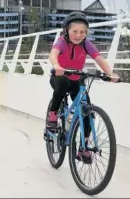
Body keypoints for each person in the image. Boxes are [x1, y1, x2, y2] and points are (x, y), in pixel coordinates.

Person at [47, 11, 119, 163]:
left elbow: (99, 59)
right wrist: (57, 65)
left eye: (82, 32)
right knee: (63, 83)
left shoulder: (86, 44)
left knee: (87, 111)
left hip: (77, 80)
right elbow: (53, 54)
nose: (78, 35)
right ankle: (52, 116)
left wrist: (110, 74)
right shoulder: (62, 41)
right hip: (60, 77)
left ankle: (83, 147)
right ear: (67, 30)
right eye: (75, 31)